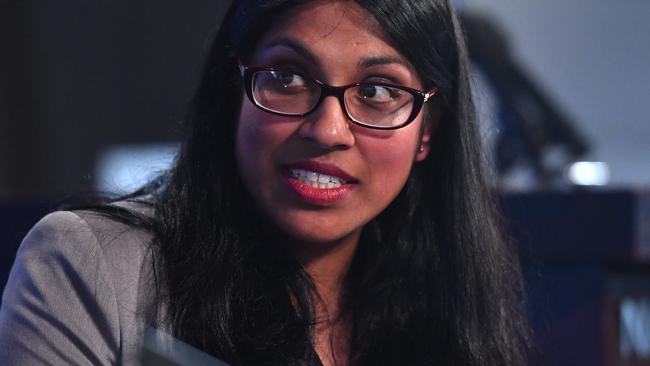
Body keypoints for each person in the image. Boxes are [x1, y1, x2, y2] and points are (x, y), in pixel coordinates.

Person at [0, 0, 530, 365]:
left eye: (378, 90)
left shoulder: (454, 307)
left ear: (426, 132)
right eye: (287, 78)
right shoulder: (93, 265)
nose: (327, 130)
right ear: (234, 89)